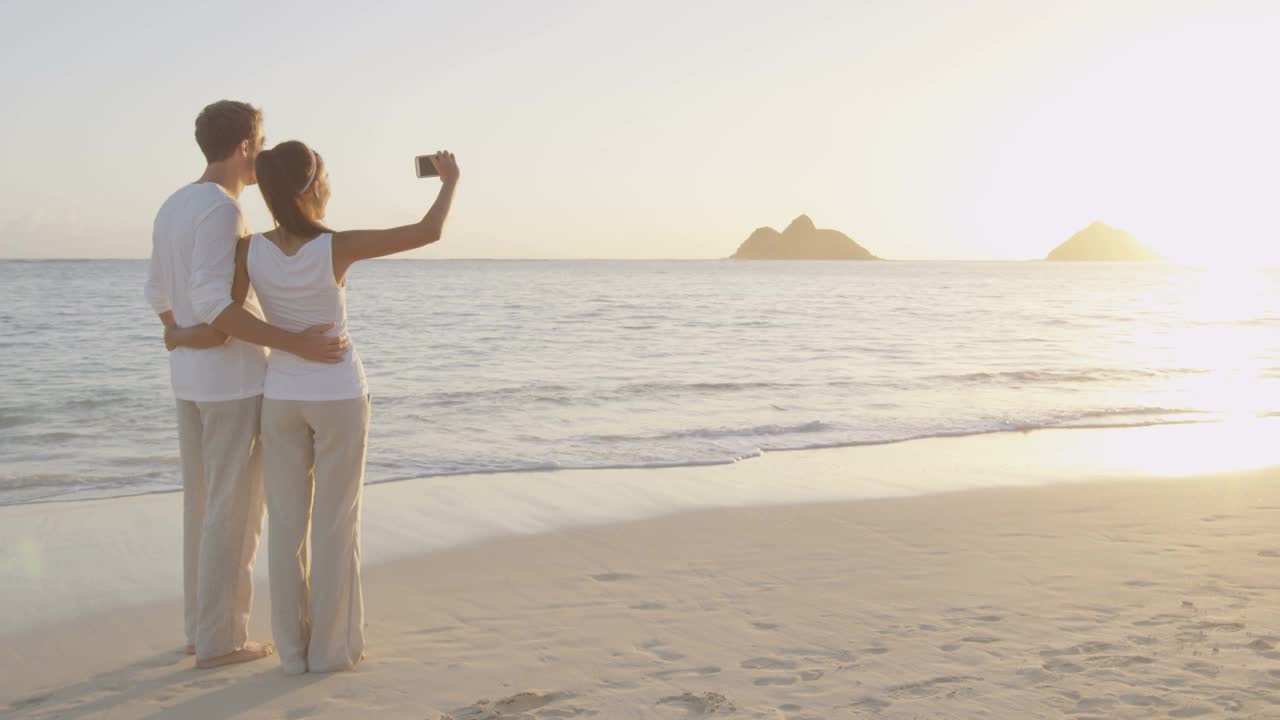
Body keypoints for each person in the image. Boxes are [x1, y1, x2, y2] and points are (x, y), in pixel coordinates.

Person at [234, 140, 458, 673]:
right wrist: (449, 182)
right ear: (312, 187)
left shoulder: (248, 250)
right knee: (335, 525)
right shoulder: (337, 246)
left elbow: (224, 314)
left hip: (282, 399)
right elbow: (428, 232)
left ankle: (293, 654)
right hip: (337, 397)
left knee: (287, 528)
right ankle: (332, 652)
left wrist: (288, 343)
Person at [144, 100, 349, 669]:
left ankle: (200, 629)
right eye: (259, 144)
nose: (260, 154)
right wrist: (291, 342)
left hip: (189, 383)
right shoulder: (222, 211)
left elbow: (156, 292)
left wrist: (179, 337)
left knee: (203, 507)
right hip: (232, 383)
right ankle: (220, 642)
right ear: (242, 148)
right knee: (232, 514)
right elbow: (215, 306)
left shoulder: (173, 204)